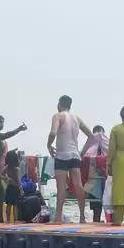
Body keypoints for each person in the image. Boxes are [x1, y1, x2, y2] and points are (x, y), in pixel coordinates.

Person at [47, 95, 93, 223]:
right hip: (74, 155)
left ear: (60, 104)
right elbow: (91, 135)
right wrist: (82, 152)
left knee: (61, 186)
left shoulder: (58, 116)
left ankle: (58, 217)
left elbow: (53, 133)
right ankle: (82, 217)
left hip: (62, 155)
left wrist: (49, 145)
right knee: (78, 185)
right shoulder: (76, 118)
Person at [0, 114, 27, 223]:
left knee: (0, 192)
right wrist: (19, 129)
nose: (2, 124)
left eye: (3, 122)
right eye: (0, 122)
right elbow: (6, 135)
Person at [3, 149, 23, 223]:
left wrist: (7, 178)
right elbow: (18, 180)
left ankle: (7, 220)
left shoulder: (7, 167)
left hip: (9, 187)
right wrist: (21, 188)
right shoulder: (16, 169)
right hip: (15, 187)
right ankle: (16, 220)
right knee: (15, 205)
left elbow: (1, 173)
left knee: (8, 204)